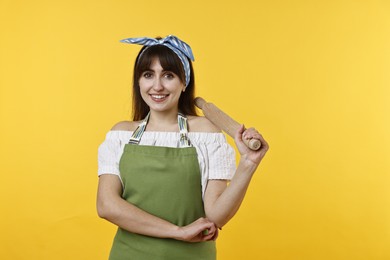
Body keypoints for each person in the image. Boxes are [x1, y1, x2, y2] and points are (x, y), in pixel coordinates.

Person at [97, 35, 269, 260]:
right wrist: (178, 232)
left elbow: (216, 215)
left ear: (184, 81)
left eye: (168, 75)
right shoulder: (120, 135)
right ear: (138, 81)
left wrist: (248, 163)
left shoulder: (206, 133)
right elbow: (107, 205)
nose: (157, 86)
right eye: (148, 75)